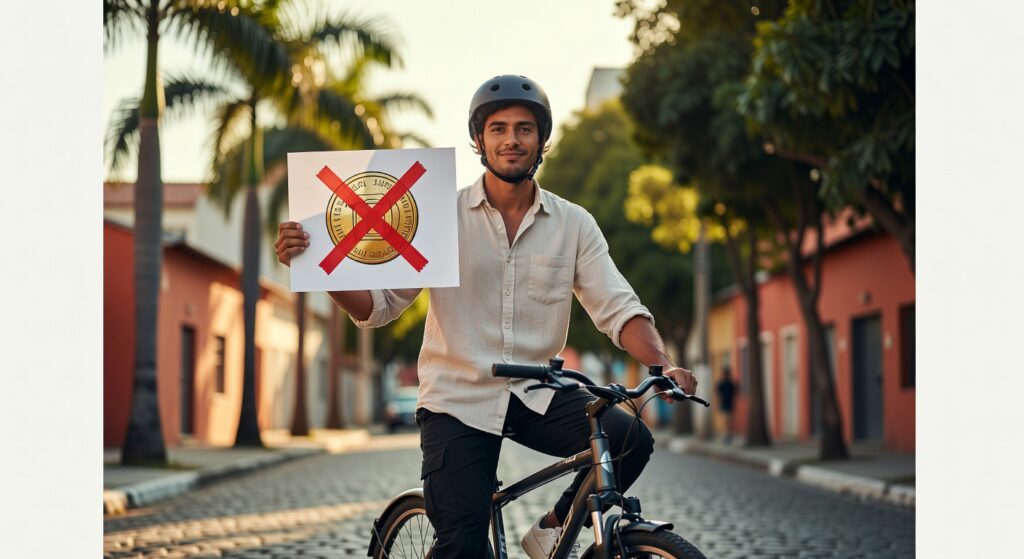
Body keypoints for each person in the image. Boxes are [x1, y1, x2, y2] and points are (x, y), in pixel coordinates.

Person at [276, 75, 697, 559]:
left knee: (630, 439)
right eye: (498, 129)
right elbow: (379, 306)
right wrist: (319, 267)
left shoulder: (574, 223)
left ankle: (555, 526)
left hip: (537, 392)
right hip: (456, 397)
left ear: (542, 141)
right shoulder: (438, 215)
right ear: (479, 141)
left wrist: (661, 364)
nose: (511, 140)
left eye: (524, 128)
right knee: (463, 545)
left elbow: (619, 308)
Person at [716, 367, 736, 443]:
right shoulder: (730, 383)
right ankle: (728, 434)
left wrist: (718, 403)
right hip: (728, 403)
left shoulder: (723, 383)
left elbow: (718, 395)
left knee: (726, 420)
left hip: (725, 403)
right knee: (729, 420)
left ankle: (727, 434)